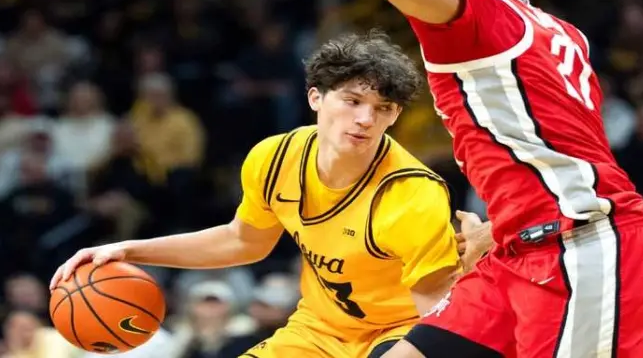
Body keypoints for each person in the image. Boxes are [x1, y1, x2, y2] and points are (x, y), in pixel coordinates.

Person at [193, 0, 643, 358]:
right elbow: (559, 146)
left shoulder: (466, 18)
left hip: (580, 249)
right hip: (522, 247)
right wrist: (503, 222)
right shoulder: (555, 29)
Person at [50, 31, 463, 358]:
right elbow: (243, 241)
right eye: (353, 100)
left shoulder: (412, 194)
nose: (365, 119)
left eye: (383, 108)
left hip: (398, 335)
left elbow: (440, 317)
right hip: (319, 331)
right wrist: (128, 250)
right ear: (315, 97)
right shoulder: (275, 157)